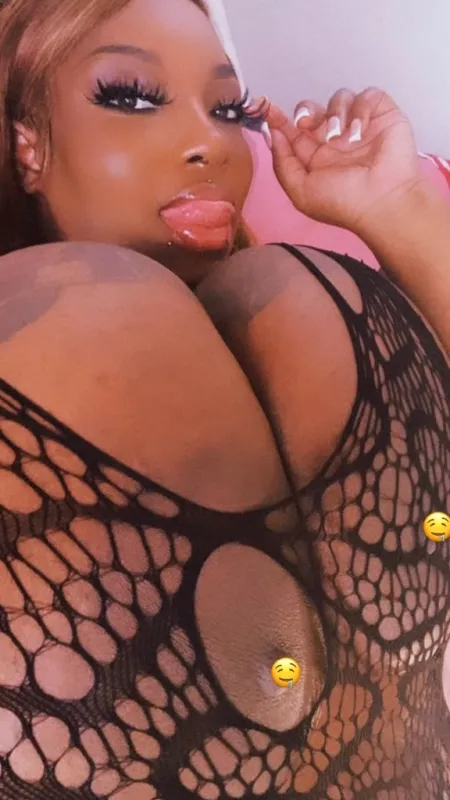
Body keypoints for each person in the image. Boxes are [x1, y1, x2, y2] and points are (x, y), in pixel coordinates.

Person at [0, 0, 448, 798]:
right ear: (27, 146)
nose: (208, 143)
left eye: (230, 109)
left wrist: (396, 207)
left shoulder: (300, 297)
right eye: (131, 96)